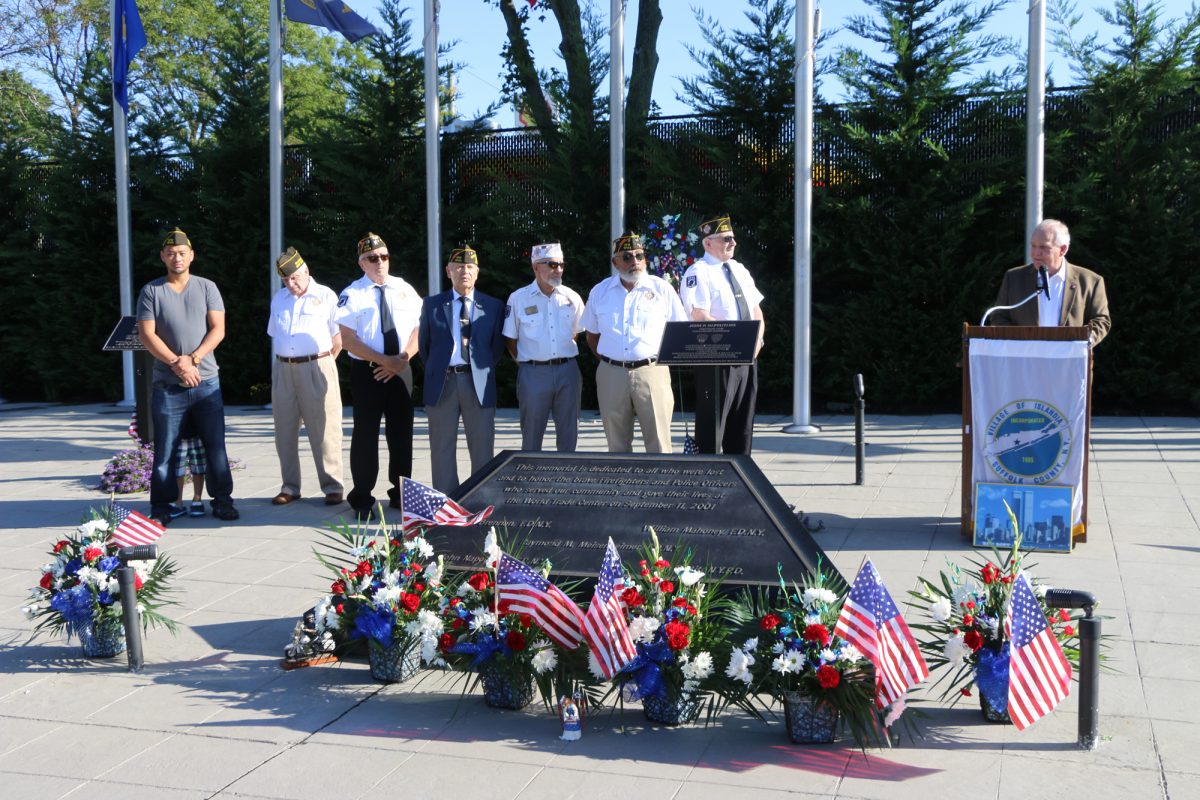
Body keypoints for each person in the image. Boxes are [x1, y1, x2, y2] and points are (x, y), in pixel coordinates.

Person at [137, 228, 238, 526]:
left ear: (191, 255)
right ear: (162, 257)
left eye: (182, 253)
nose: (176, 257)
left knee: (215, 446)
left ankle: (222, 501)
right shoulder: (151, 291)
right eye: (170, 253)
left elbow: (218, 329)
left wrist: (192, 359)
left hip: (206, 382)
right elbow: (146, 334)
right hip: (168, 386)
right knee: (165, 449)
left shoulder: (207, 287)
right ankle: (162, 505)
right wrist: (176, 364)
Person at [335, 233, 422, 521]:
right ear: (362, 263)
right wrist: (383, 360)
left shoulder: (404, 289)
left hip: (402, 366)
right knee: (365, 434)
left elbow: (419, 330)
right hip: (368, 371)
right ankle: (361, 497)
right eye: (373, 258)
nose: (380, 262)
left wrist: (402, 359)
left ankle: (401, 493)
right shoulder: (353, 293)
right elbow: (347, 339)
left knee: (402, 434)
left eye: (384, 257)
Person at [581, 231, 687, 453]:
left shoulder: (661, 289)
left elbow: (679, 331)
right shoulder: (600, 291)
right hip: (611, 373)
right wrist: (613, 361)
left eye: (639, 255)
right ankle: (622, 486)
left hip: (652, 371)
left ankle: (660, 487)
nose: (635, 262)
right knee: (616, 443)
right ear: (615, 262)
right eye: (627, 257)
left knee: (659, 442)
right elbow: (592, 336)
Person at [419, 245, 506, 493]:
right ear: (448, 271)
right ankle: (447, 503)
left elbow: (495, 348)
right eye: (458, 267)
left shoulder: (493, 306)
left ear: (477, 272)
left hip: (477, 381)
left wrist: (477, 370)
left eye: (469, 267)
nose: (463, 271)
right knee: (441, 448)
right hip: (443, 382)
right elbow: (426, 347)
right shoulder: (432, 305)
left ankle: (479, 499)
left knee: (482, 448)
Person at [678, 214, 765, 455]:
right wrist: (736, 342)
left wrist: (756, 341)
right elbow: (699, 316)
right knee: (713, 429)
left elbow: (756, 308)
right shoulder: (698, 272)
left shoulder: (739, 269)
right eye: (726, 239)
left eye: (733, 238)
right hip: (718, 361)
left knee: (743, 425)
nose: (733, 243)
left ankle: (741, 476)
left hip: (747, 357)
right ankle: (709, 477)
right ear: (708, 243)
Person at [267, 247, 345, 506]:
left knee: (324, 429)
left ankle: (332, 485)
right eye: (286, 279)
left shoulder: (325, 296)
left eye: (295, 277)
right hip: (283, 369)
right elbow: (275, 333)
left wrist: (322, 365)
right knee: (284, 431)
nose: (291, 283)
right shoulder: (279, 299)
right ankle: (290, 486)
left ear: (306, 271)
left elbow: (338, 339)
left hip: (317, 365)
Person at [502, 241, 585, 452]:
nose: (558, 269)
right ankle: (530, 483)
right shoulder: (518, 298)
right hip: (534, 372)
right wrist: (526, 362)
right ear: (536, 267)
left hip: (567, 371)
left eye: (561, 265)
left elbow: (577, 332)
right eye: (551, 264)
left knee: (569, 434)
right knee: (531, 436)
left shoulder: (571, 297)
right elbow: (510, 338)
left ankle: (565, 482)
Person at [989, 218, 1111, 345]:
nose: (1035, 253)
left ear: (1063, 250)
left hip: (1069, 360)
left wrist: (1083, 342)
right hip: (1025, 360)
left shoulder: (1090, 281)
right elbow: (998, 316)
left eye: (1043, 247)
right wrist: (1020, 342)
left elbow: (1101, 320)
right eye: (1033, 246)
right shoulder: (1014, 278)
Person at [170, 435, 206, 518]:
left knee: (198, 466)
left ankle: (197, 499)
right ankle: (178, 502)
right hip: (178, 433)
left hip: (197, 431)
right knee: (177, 468)